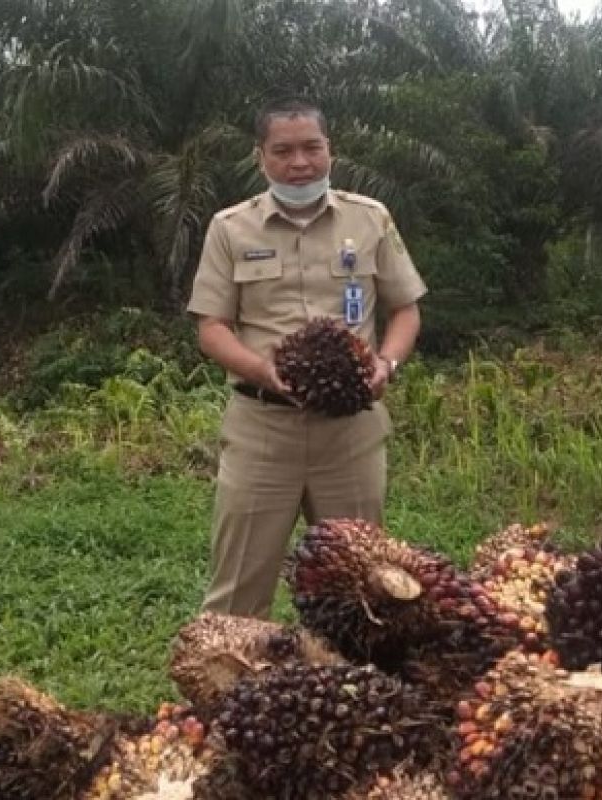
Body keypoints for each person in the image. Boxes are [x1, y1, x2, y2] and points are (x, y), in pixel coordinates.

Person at [186, 97, 428, 619]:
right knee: (238, 588)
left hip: (350, 429)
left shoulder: (370, 219)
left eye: (311, 148)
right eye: (284, 150)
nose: (300, 162)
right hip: (262, 428)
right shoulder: (230, 228)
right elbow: (211, 327)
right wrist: (262, 371)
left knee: (362, 583)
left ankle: (354, 687)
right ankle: (227, 689)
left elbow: (406, 310)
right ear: (262, 158)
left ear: (330, 150)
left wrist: (387, 363)